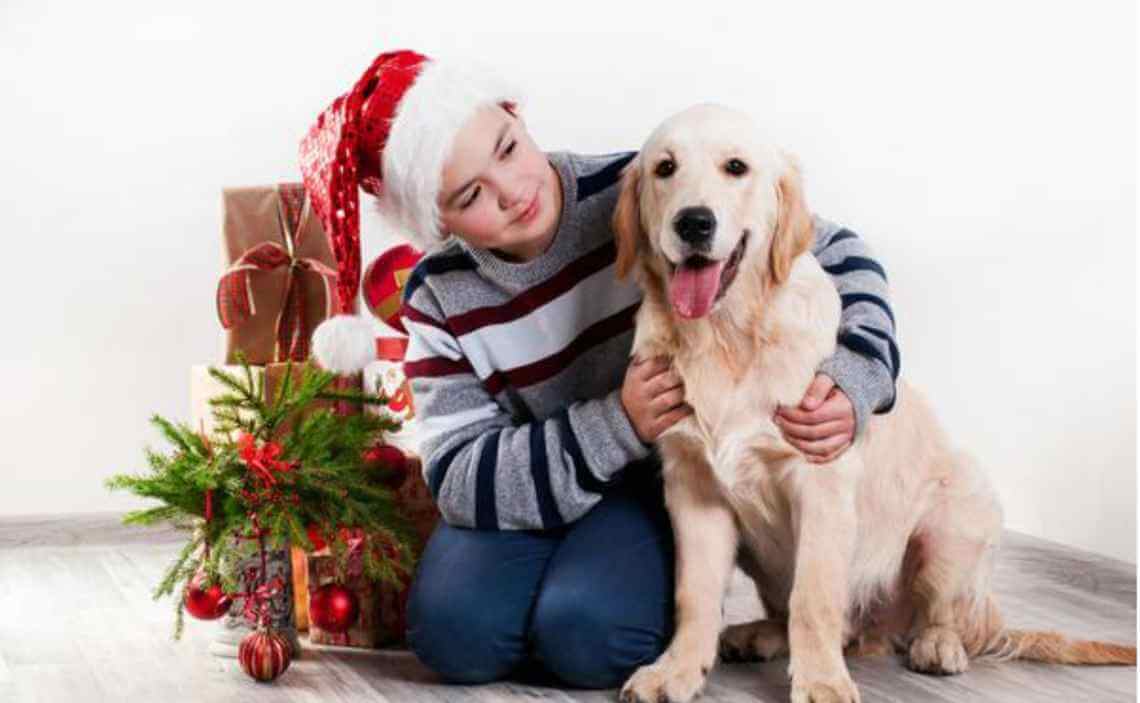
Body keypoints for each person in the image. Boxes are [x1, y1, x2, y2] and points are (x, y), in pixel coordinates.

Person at [299, 49, 899, 689]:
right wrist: (617, 423)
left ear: (517, 116)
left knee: (588, 639)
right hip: (538, 479)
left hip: (652, 484)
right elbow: (457, 476)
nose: (513, 191)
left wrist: (860, 375)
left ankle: (584, 599)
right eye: (471, 195)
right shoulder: (437, 296)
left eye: (507, 148)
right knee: (452, 636)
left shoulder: (645, 183)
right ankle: (562, 590)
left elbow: (836, 250)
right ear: (436, 219)